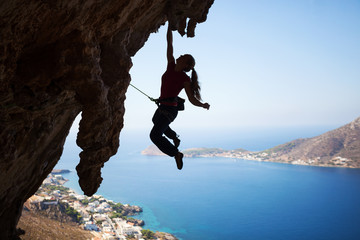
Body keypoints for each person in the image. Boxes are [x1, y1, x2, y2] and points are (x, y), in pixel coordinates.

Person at [150, 24, 210, 170]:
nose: (180, 55)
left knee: (155, 136)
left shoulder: (185, 79)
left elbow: (191, 99)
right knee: (154, 120)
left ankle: (176, 154)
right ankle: (175, 137)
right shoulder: (170, 65)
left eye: (184, 56)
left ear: (185, 64)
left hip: (170, 110)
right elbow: (169, 43)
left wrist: (202, 105)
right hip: (163, 106)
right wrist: (170, 26)